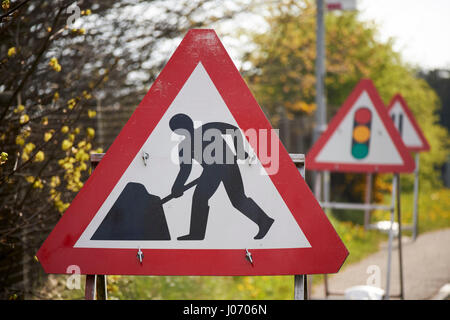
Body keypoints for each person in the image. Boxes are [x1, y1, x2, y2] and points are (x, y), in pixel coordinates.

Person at [169, 113, 274, 240]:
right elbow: (185, 170)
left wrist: (239, 150)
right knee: (201, 199)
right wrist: (177, 187)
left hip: (227, 165)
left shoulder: (208, 129)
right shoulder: (184, 147)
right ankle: (196, 233)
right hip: (211, 171)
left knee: (236, 199)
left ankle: (264, 221)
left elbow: (233, 130)